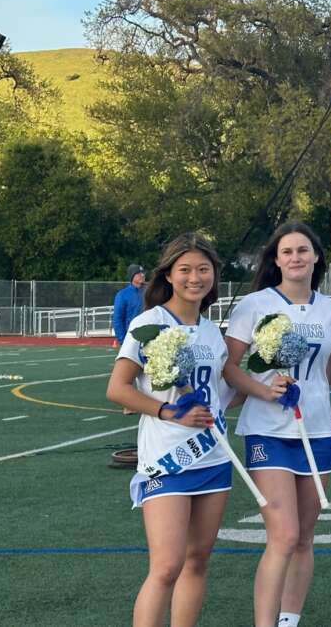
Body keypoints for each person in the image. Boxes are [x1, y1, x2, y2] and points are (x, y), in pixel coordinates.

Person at [106, 233, 230, 627]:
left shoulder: (213, 331)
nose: (195, 278)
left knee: (197, 561)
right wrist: (168, 411)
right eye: (186, 270)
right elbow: (118, 389)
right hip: (168, 460)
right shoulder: (150, 323)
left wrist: (270, 386)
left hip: (213, 458)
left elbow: (224, 394)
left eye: (203, 269)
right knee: (166, 566)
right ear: (169, 275)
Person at [222, 222, 331, 627]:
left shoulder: (330, 309)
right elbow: (229, 368)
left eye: (303, 251)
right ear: (276, 259)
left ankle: (290, 621)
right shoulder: (254, 305)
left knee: (305, 538)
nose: (296, 258)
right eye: (287, 252)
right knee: (285, 535)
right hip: (267, 430)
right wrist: (263, 389)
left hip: (317, 428)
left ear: (316, 258)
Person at [114, 264, 146, 346]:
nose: (142, 275)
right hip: (131, 339)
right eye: (139, 273)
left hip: (149, 338)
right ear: (132, 276)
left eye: (143, 273)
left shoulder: (150, 292)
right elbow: (118, 319)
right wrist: (123, 341)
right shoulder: (122, 295)